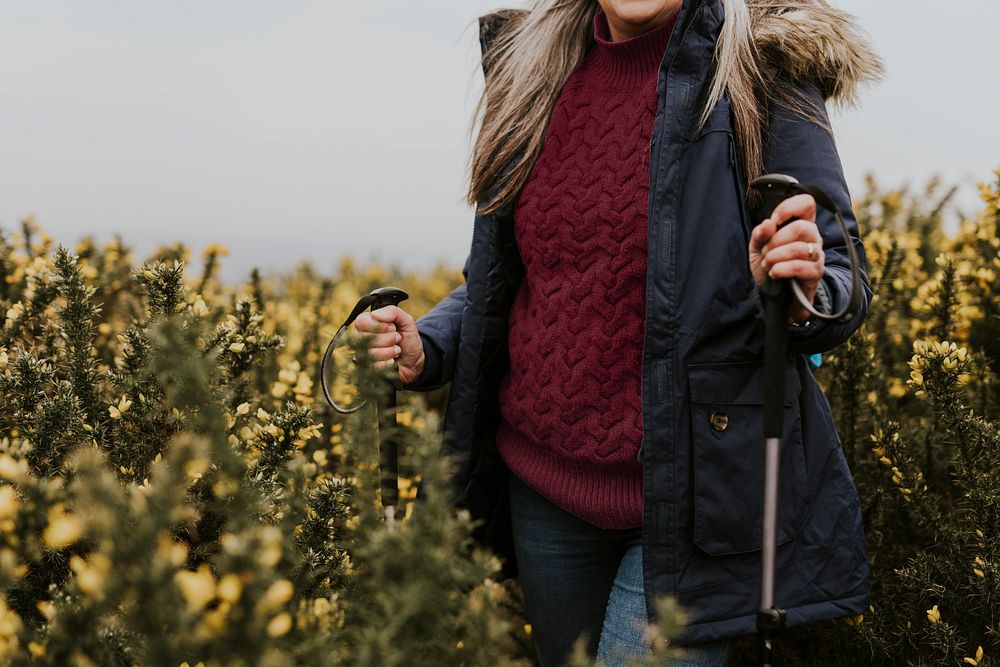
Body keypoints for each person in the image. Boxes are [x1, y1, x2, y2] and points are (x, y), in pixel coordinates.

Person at [353, 0, 881, 664]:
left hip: (689, 502)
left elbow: (839, 280)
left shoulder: (765, 65)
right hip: (542, 491)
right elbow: (518, 277)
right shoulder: (531, 69)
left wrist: (796, 285)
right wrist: (427, 344)